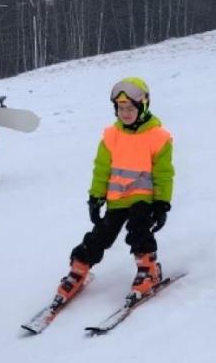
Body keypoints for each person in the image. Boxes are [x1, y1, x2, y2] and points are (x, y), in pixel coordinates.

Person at [50, 77, 174, 308]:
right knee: (101, 235)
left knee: (138, 229)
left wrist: (161, 204)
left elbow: (164, 173)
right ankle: (79, 268)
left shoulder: (158, 137)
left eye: (129, 108)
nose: (124, 113)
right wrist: (96, 198)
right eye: (120, 108)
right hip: (117, 199)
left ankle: (149, 270)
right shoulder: (111, 136)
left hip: (143, 199)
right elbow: (101, 169)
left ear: (143, 107)